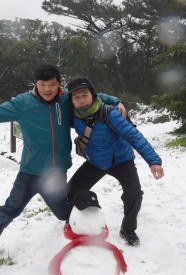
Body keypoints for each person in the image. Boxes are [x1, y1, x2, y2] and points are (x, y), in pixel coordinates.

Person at [0, 65, 123, 274]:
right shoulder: (23, 103)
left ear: (59, 84)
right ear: (36, 85)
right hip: (29, 174)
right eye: (43, 85)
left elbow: (94, 96)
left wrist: (116, 101)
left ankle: (82, 224)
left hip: (56, 174)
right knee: (9, 210)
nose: (48, 89)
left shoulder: (66, 99)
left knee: (63, 213)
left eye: (52, 84)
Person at [65, 77, 164, 246]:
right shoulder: (73, 116)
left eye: (85, 95)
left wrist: (153, 161)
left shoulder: (110, 113)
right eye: (76, 97)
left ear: (93, 95)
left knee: (134, 193)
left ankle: (128, 229)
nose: (81, 100)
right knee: (71, 191)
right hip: (96, 162)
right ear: (71, 100)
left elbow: (133, 136)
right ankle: (76, 221)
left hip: (121, 160)